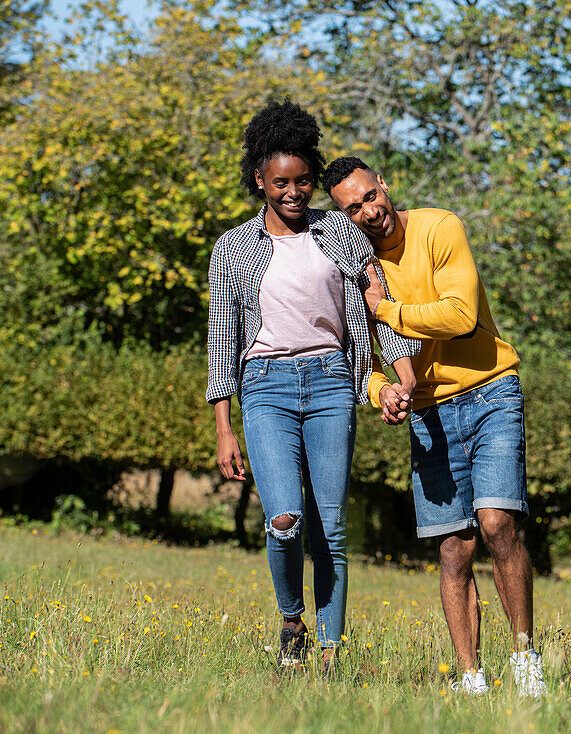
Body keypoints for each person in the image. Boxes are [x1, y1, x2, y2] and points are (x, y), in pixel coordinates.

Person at [322, 157, 547, 697]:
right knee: (453, 549)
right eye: (353, 208)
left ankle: (524, 657)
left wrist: (389, 310)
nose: (369, 212)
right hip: (428, 411)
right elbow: (357, 354)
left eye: (370, 196)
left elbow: (459, 314)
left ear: (385, 185)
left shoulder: (438, 227)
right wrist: (383, 392)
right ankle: (472, 677)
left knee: (497, 524)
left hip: (490, 388)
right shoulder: (356, 269)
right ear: (342, 215)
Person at [206, 103, 419, 672]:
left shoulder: (341, 235)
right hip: (265, 389)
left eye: (303, 181)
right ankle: (291, 621)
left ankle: (330, 653)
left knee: (331, 527)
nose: (296, 193)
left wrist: (402, 378)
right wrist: (224, 430)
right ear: (260, 180)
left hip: (330, 386)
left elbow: (376, 317)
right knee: (285, 520)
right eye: (282, 183)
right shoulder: (232, 249)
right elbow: (222, 343)